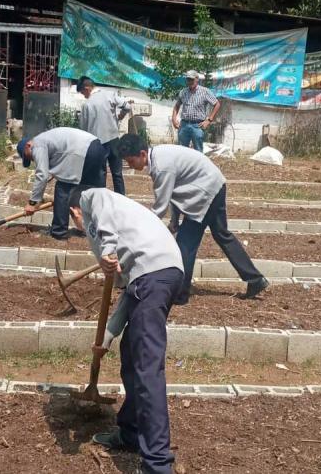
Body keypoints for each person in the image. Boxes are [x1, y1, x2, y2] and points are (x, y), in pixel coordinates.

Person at [68, 185, 184, 474]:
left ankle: (157, 465)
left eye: (77, 223)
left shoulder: (92, 198)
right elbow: (129, 296)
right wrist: (106, 338)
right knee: (132, 355)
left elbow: (101, 204)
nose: (83, 229)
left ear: (74, 213)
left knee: (147, 369)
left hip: (153, 275)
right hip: (157, 277)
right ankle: (131, 433)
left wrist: (106, 250)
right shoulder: (125, 230)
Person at [117, 134, 269, 304]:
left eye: (131, 161)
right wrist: (174, 221)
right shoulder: (159, 158)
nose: (130, 165)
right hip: (214, 184)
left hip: (205, 190)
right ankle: (255, 279)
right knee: (222, 235)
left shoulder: (161, 167)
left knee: (186, 243)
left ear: (143, 154)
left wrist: (138, 232)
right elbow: (174, 192)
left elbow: (160, 207)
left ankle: (180, 294)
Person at [16, 127, 109, 240]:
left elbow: (42, 175)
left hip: (82, 151)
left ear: (28, 146)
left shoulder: (37, 144)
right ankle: (103, 230)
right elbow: (57, 159)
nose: (32, 159)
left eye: (28, 156)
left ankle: (59, 232)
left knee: (63, 189)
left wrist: (32, 203)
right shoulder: (47, 138)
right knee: (95, 192)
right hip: (98, 148)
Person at [77, 75, 132, 195]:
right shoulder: (109, 95)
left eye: (82, 93)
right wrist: (121, 115)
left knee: (101, 175)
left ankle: (101, 200)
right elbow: (127, 106)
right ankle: (121, 199)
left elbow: (83, 130)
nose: (84, 96)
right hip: (114, 140)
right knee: (117, 174)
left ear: (87, 88)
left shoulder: (87, 105)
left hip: (98, 144)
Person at [171, 70, 221, 152]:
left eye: (192, 79)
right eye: (188, 79)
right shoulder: (183, 92)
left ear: (197, 79)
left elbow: (217, 104)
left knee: (198, 151)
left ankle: (197, 165)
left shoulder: (205, 91)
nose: (190, 82)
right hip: (184, 125)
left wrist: (209, 120)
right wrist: (174, 119)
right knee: (181, 151)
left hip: (197, 126)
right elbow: (176, 106)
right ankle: (184, 165)